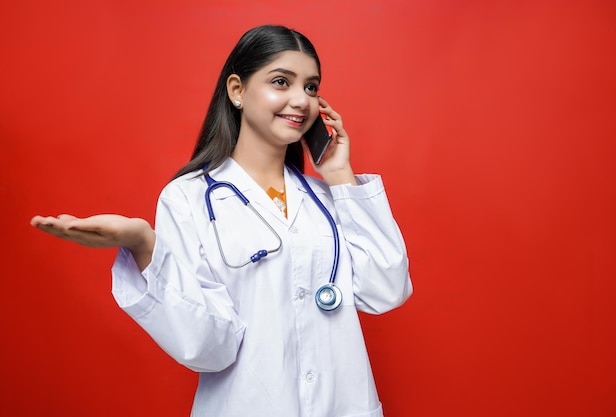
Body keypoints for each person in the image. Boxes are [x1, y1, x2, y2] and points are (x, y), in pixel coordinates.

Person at [31, 24, 412, 417]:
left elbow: (386, 289)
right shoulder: (189, 198)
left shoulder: (330, 200)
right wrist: (144, 245)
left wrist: (339, 175)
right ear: (237, 91)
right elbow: (209, 346)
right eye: (281, 82)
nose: (301, 100)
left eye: (311, 87)